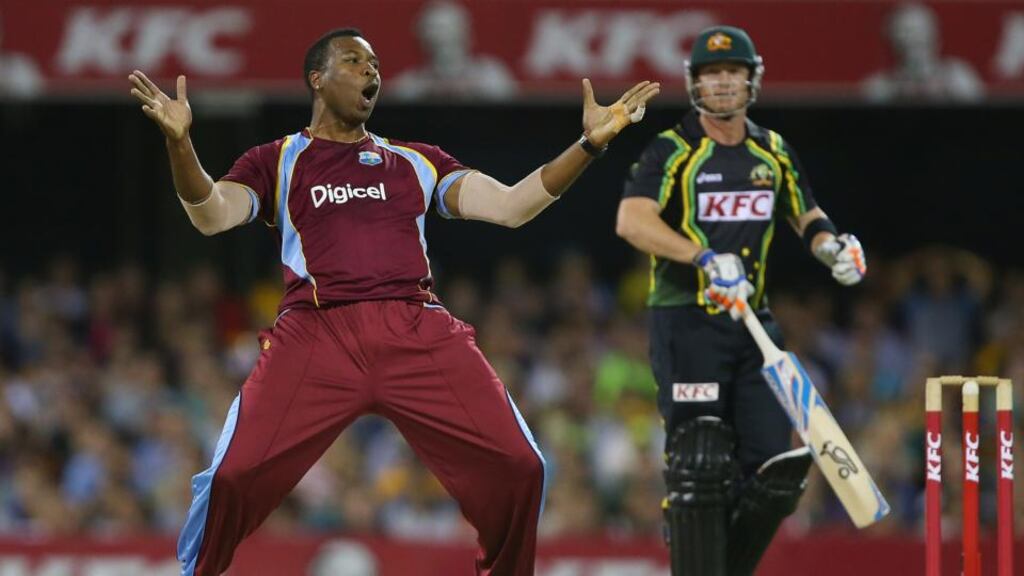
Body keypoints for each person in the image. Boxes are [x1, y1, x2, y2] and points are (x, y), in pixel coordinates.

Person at [128, 27, 658, 576]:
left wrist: (591, 144)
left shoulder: (416, 161)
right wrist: (180, 143)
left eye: (376, 64)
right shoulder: (277, 160)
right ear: (318, 78)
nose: (371, 72)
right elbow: (211, 215)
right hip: (317, 333)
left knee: (520, 467)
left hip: (415, 329)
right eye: (355, 61)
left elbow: (511, 207)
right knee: (231, 477)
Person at [615, 25, 865, 576]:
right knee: (699, 462)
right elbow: (631, 221)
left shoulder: (772, 149)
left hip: (756, 324)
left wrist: (834, 249)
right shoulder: (674, 149)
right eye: (711, 73)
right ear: (694, 82)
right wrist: (703, 258)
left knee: (778, 471)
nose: (723, 83)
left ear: (752, 79)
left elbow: (807, 213)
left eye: (732, 72)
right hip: (687, 321)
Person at [390, 0, 517, 101]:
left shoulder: (492, 76)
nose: (441, 37)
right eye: (433, 29)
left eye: (448, 28)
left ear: (465, 33)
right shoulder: (409, 85)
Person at [862, 3, 984, 103]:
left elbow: (980, 117)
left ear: (936, 37)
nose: (915, 39)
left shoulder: (958, 76)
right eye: (906, 32)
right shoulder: (880, 86)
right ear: (892, 40)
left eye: (921, 31)